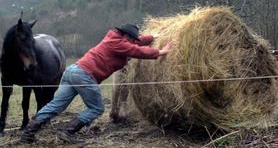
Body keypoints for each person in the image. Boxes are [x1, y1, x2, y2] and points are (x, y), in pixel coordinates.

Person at [20, 23, 173, 143]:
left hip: (73, 71)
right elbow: (136, 50)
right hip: (84, 75)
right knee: (97, 108)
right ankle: (67, 131)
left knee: (56, 105)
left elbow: (137, 43)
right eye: (133, 38)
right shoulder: (119, 44)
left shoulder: (115, 38)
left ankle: (28, 132)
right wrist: (159, 52)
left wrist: (153, 36)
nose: (134, 41)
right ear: (126, 35)